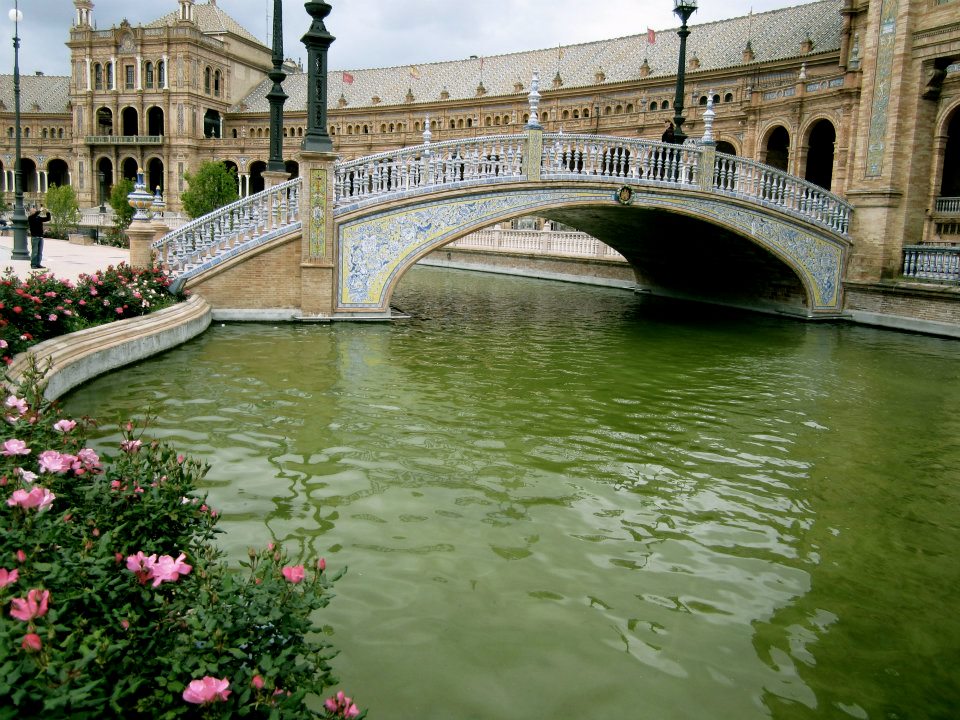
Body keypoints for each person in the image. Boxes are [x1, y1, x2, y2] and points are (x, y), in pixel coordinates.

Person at [27, 204, 51, 270]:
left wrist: (47, 212)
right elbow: (35, 215)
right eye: (34, 211)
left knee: (40, 252)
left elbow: (48, 218)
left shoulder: (39, 218)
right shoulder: (30, 218)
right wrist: (39, 211)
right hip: (35, 237)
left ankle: (38, 264)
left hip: (40, 237)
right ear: (31, 212)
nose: (36, 212)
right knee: (35, 251)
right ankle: (33, 264)